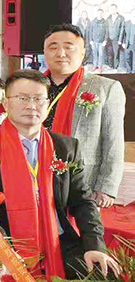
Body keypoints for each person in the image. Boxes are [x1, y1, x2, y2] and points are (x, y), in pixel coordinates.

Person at [0, 70, 120, 279]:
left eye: (38, 98)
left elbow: (83, 201)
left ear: (47, 103)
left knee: (104, 274)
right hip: (8, 240)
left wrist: (95, 246)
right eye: (22, 98)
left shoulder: (66, 147)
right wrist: (3, 252)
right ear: (6, 103)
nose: (31, 105)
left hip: (57, 240)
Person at [41, 24, 126, 208]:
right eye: (53, 47)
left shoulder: (105, 88)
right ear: (45, 52)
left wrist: (106, 187)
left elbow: (113, 141)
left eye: (69, 47)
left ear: (83, 53)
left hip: (83, 181)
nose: (60, 53)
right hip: (36, 175)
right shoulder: (31, 87)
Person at [105, 4, 125, 69]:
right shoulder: (108, 18)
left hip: (116, 40)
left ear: (116, 9)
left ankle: (115, 67)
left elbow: (122, 29)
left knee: (116, 54)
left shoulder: (121, 18)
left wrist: (120, 40)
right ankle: (110, 66)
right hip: (109, 39)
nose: (112, 10)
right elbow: (107, 29)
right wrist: (106, 39)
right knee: (110, 53)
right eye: (111, 9)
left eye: (114, 9)